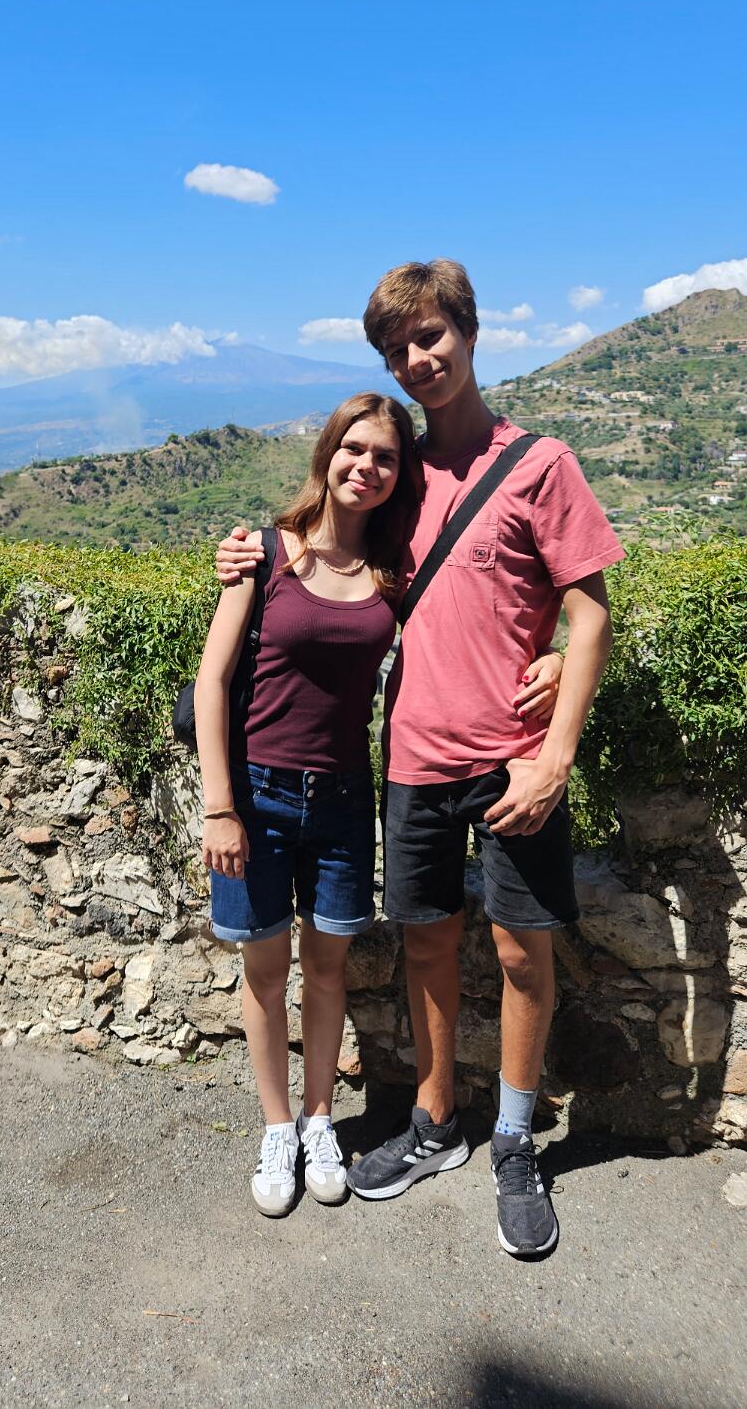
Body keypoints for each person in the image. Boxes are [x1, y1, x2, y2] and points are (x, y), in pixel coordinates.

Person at [216, 258, 624, 1256]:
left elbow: (590, 610)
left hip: (513, 761)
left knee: (522, 954)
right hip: (409, 762)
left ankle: (515, 1141)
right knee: (427, 947)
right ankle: (436, 1121)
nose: (417, 359)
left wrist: (555, 747)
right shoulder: (398, 479)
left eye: (429, 337)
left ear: (468, 333)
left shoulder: (540, 465)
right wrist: (244, 551)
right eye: (397, 350)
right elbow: (327, 541)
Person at [196, 387, 561, 1220]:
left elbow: (486, 613)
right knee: (264, 971)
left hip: (340, 799)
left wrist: (557, 652)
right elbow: (212, 681)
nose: (366, 466)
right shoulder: (263, 552)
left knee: (327, 968)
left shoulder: (392, 571)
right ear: (326, 454)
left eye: (385, 457)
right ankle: (277, 1128)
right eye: (353, 449)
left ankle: (320, 1121)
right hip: (255, 795)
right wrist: (219, 807)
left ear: (401, 474)